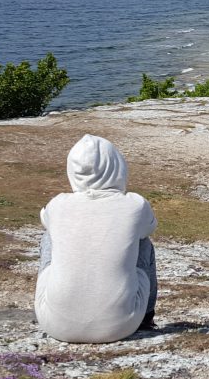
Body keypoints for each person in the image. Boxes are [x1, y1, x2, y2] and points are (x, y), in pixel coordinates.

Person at [35, 134, 158, 343]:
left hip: (54, 325)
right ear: (117, 166)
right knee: (142, 244)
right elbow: (149, 228)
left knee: (49, 236)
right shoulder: (135, 204)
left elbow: (47, 221)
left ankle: (58, 304)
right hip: (121, 325)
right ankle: (146, 317)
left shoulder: (58, 204)